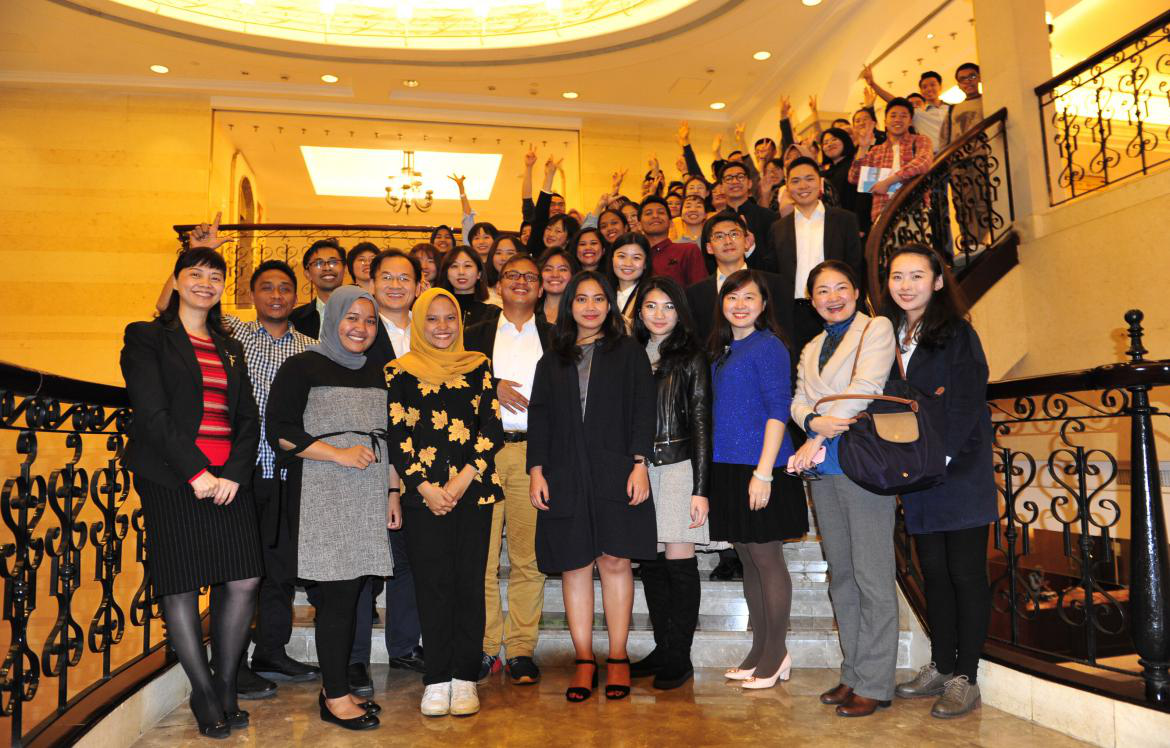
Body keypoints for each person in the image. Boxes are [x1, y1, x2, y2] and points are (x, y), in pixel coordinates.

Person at [121, 248, 263, 739]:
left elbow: (247, 418)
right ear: (177, 281)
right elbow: (152, 414)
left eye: (215, 276)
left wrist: (234, 475)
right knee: (180, 583)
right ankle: (203, 692)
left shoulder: (230, 346)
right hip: (172, 478)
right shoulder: (147, 337)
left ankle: (225, 684)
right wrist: (196, 473)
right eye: (195, 274)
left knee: (244, 578)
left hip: (228, 479)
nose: (205, 282)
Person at [267, 286, 394, 731]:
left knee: (355, 592)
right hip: (325, 492)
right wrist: (337, 454)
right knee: (338, 597)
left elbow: (390, 436)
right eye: (352, 318)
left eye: (370, 320)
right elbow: (280, 431)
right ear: (334, 319)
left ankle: (336, 688)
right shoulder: (302, 366)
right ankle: (335, 696)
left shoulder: (379, 370)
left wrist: (392, 493)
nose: (361, 328)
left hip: (368, 491)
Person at [527, 271, 656, 703]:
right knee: (575, 564)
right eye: (581, 299)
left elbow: (643, 410)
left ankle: (617, 656)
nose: (590, 307)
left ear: (609, 305)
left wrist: (639, 464)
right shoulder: (552, 359)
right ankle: (584, 659)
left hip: (616, 468)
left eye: (598, 298)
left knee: (615, 560)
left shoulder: (629, 352)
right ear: (569, 305)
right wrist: (536, 470)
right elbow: (540, 418)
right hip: (564, 472)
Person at [881, 245, 995, 718]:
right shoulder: (888, 336)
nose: (905, 285)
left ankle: (966, 676)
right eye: (897, 276)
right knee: (933, 573)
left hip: (959, 468)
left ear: (937, 281)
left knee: (965, 573)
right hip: (918, 473)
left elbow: (968, 399)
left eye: (916, 275)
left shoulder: (957, 333)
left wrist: (941, 456)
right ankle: (942, 664)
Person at [385, 288, 504, 717]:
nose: (441, 327)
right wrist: (424, 487)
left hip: (474, 492)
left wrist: (463, 478)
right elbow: (397, 436)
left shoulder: (478, 366)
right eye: (432, 318)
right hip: (424, 499)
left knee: (469, 585)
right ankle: (436, 679)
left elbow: (491, 427)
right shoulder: (399, 372)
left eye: (449, 318)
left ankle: (464, 677)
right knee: (431, 586)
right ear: (419, 322)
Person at [789, 260, 897, 718]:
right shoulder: (812, 345)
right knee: (843, 575)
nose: (832, 297)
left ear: (855, 292)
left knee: (873, 576)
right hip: (825, 472)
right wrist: (812, 420)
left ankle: (876, 681)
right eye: (822, 291)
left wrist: (815, 435)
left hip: (863, 465)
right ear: (812, 300)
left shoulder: (876, 328)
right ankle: (854, 672)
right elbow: (798, 399)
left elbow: (866, 387)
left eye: (840, 288)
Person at [707, 269, 807, 692]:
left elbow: (777, 410)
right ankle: (759, 649)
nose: (740, 305)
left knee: (767, 559)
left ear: (764, 304)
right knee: (747, 557)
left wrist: (763, 473)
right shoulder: (724, 349)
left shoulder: (769, 346)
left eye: (750, 297)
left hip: (762, 466)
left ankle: (776, 653)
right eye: (733, 297)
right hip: (728, 465)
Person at [464, 254, 555, 686]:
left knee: (527, 559)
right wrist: (491, 386)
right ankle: (485, 647)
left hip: (532, 454)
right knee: (481, 559)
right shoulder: (474, 334)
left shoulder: (555, 336)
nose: (521, 282)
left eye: (529, 277)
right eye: (512, 275)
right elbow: (453, 387)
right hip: (483, 452)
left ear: (541, 287)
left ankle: (520, 649)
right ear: (498, 285)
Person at [345, 249, 427, 694]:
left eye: (404, 278)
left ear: (418, 284)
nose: (396, 285)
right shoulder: (359, 330)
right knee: (365, 563)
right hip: (370, 460)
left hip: (424, 462)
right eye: (387, 277)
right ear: (371, 282)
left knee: (408, 558)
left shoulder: (431, 329)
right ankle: (356, 658)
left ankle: (404, 645)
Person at [628, 277, 711, 690]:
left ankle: (680, 655)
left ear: (680, 312)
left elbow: (701, 422)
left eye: (668, 306)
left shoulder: (690, 356)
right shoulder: (629, 355)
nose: (659, 314)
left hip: (679, 467)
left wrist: (701, 489)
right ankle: (663, 648)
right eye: (650, 306)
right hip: (640, 470)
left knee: (679, 563)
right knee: (652, 564)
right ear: (639, 312)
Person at [768, 157, 865, 356]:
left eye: (809, 179)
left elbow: (855, 266)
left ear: (820, 182)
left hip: (836, 306)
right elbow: (773, 273)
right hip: (794, 314)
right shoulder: (778, 228)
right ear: (787, 187)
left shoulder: (845, 220)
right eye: (795, 181)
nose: (803, 186)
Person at [686, 210, 790, 344]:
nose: (728, 241)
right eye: (719, 236)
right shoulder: (695, 293)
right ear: (709, 248)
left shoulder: (775, 284)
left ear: (747, 242)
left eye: (734, 234)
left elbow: (784, 335)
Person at [849, 97, 934, 224]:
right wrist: (863, 147)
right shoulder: (876, 150)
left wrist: (888, 182)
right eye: (893, 116)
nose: (897, 119)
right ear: (885, 122)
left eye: (903, 116)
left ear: (910, 122)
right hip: (882, 214)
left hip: (914, 209)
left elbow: (923, 162)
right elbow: (854, 178)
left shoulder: (920, 140)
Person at [717, 161, 779, 273]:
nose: (735, 181)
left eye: (740, 177)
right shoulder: (714, 223)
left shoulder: (769, 218)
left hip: (764, 279)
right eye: (729, 178)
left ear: (750, 183)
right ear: (721, 187)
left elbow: (777, 260)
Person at [640, 195, 707, 288]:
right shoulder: (635, 255)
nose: (655, 216)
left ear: (671, 223)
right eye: (648, 213)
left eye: (661, 212)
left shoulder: (688, 250)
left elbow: (701, 289)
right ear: (639, 225)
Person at [290, 239, 346, 338]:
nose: (327, 268)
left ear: (344, 269)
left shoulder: (362, 312)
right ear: (308, 274)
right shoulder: (293, 320)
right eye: (318, 263)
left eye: (333, 262)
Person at [438, 246, 499, 329]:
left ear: (479, 273)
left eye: (467, 266)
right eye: (454, 266)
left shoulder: (492, 313)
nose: (461, 272)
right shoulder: (436, 310)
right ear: (446, 274)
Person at [607, 232, 653, 330]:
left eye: (636, 258)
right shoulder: (602, 292)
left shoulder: (651, 295)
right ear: (612, 259)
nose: (628, 264)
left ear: (645, 263)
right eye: (621, 256)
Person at [536, 247, 578, 326]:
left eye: (562, 269)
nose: (555, 275)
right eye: (548, 269)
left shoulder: (579, 314)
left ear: (573, 275)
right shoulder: (529, 311)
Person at [484, 234, 522, 307]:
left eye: (510, 253)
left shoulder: (524, 287)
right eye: (498, 253)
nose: (503, 258)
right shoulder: (482, 288)